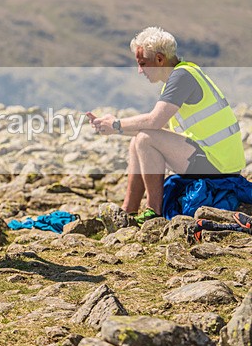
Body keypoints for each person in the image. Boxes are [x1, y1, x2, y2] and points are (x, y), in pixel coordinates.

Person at [90, 26, 245, 227]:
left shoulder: (182, 77)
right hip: (214, 159)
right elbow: (158, 127)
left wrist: (116, 124)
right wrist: (112, 127)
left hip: (219, 166)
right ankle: (128, 211)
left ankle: (154, 212)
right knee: (138, 140)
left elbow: (154, 122)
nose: (140, 71)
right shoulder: (181, 75)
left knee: (145, 139)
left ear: (160, 60)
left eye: (143, 64)